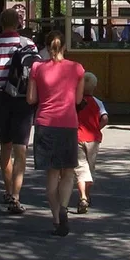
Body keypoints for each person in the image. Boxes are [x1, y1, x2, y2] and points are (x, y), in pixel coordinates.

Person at [0, 8, 39, 215]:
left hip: (1, 99)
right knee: (21, 150)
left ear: (1, 23)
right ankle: (16, 195)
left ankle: (7, 189)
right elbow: (36, 73)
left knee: (5, 147)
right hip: (22, 101)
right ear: (18, 23)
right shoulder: (28, 44)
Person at [26, 30, 85, 236]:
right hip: (68, 123)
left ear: (46, 46)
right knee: (68, 172)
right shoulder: (77, 69)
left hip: (45, 123)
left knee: (51, 174)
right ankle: (65, 207)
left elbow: (31, 98)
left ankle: (56, 218)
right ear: (65, 47)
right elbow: (78, 101)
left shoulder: (36, 68)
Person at [75, 72, 109, 214]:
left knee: (80, 167)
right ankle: (87, 195)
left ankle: (82, 196)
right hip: (93, 138)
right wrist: (97, 128)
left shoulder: (75, 101)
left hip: (77, 137)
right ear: (94, 87)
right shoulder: (98, 102)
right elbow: (105, 118)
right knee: (90, 167)